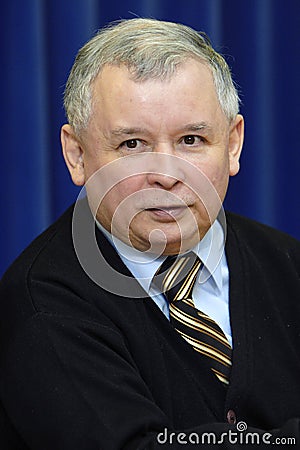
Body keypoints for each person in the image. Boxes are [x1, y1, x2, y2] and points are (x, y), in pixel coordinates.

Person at [0, 18, 299, 450]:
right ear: (77, 155)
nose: (167, 174)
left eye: (192, 140)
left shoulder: (288, 262)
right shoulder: (40, 305)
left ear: (232, 145)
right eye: (132, 145)